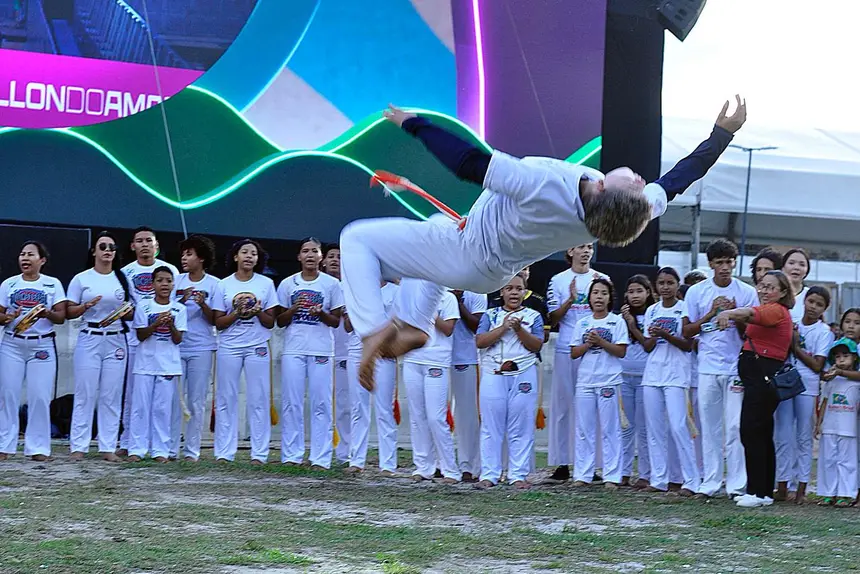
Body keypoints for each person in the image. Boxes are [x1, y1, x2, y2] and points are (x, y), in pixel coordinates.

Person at [341, 98, 747, 391]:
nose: (643, 182)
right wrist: (721, 136)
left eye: (638, 185)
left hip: (465, 251)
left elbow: (468, 163)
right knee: (431, 235)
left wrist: (411, 123)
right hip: (489, 271)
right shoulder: (619, 213)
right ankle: (413, 325)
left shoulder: (544, 186)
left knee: (357, 239)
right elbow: (676, 182)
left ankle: (374, 329)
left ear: (605, 187)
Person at [682, 238, 758, 499]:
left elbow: (752, 333)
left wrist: (735, 314)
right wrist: (712, 313)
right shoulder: (696, 292)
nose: (725, 267)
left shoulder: (746, 292)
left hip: (737, 368)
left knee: (735, 426)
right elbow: (687, 331)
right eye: (720, 263)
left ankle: (736, 484)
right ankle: (711, 482)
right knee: (710, 426)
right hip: (707, 367)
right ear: (711, 264)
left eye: (729, 262)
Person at [714, 270, 794, 508]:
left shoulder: (775, 310)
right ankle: (762, 491)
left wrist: (728, 312)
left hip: (763, 378)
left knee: (751, 430)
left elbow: (750, 313)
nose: (764, 291)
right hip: (757, 378)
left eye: (771, 287)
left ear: (782, 292)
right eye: (761, 286)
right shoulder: (770, 310)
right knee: (760, 432)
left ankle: (757, 492)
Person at [278, 237, 345, 470]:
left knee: (321, 403)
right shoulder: (288, 284)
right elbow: (280, 320)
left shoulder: (331, 285)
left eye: (314, 251)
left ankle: (321, 457)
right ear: (299, 257)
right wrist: (294, 309)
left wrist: (321, 314)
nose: (309, 255)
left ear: (320, 257)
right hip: (293, 348)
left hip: (321, 349)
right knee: (292, 402)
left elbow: (335, 321)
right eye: (305, 251)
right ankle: (291, 455)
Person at [545, 243, 609, 482]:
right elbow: (552, 318)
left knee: (591, 407)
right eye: (580, 247)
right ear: (570, 251)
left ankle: (590, 465)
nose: (586, 251)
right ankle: (562, 463)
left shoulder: (602, 279)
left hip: (595, 350)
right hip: (566, 347)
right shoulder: (558, 280)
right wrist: (570, 300)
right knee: (563, 407)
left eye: (590, 247)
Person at [67, 232, 133, 462]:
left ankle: (107, 446)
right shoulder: (81, 279)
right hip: (90, 335)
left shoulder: (122, 279)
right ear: (94, 251)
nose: (107, 250)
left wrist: (126, 311)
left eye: (112, 247)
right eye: (102, 246)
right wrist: (86, 306)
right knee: (85, 392)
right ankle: (79, 445)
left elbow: (132, 311)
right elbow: (69, 311)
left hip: (115, 338)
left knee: (111, 394)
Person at [211, 240, 278, 464]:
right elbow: (218, 322)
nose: (249, 256)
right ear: (236, 257)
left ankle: (259, 453)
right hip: (229, 346)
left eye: (254, 254)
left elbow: (270, 322)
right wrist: (238, 314)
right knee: (226, 398)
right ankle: (224, 452)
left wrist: (257, 312)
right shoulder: (224, 285)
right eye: (244, 252)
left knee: (258, 398)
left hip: (257, 345)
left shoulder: (266, 284)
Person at [0, 242, 67, 461]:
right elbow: (0, 315)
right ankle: (4, 446)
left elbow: (61, 316)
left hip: (42, 345)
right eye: (22, 254)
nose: (25, 258)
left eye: (30, 254)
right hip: (12, 344)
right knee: (8, 394)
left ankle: (38, 447)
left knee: (40, 396)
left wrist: (46, 313)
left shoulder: (52, 284)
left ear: (42, 260)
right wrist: (7, 317)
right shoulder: (9, 284)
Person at [475, 274, 543, 489]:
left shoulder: (533, 316)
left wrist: (519, 329)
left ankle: (518, 475)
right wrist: (504, 327)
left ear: (525, 291)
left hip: (523, 374)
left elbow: (537, 345)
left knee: (521, 427)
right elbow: (480, 341)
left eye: (518, 289)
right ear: (501, 292)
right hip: (493, 373)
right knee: (491, 426)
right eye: (509, 288)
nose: (514, 293)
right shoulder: (490, 315)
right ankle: (489, 474)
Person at [118, 227, 179, 456]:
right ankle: (128, 442)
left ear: (157, 245)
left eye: (149, 241)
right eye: (139, 241)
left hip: (164, 339)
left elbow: (172, 302)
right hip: (134, 337)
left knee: (162, 398)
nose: (144, 245)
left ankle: (159, 445)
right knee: (134, 394)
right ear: (133, 246)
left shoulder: (170, 270)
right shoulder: (125, 272)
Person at [641, 267, 697, 495]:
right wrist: (653, 336)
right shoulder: (652, 310)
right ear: (656, 286)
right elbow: (646, 346)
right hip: (653, 374)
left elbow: (688, 345)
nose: (665, 287)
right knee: (655, 428)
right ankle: (658, 479)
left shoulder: (685, 308)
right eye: (661, 283)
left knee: (678, 425)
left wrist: (666, 335)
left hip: (676, 375)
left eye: (670, 283)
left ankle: (691, 480)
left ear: (677, 285)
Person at [774, 287, 832, 503]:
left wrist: (795, 346)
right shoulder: (792, 323)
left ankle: (801, 488)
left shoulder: (824, 332)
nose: (813, 307)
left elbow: (817, 365)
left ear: (825, 309)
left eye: (819, 305)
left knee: (803, 437)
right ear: (804, 301)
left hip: (807, 387)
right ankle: (781, 484)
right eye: (811, 302)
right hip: (786, 384)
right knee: (782, 434)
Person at [570, 278, 629, 489]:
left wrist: (601, 342)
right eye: (595, 293)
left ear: (609, 298)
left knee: (610, 429)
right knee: (584, 429)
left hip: (609, 381)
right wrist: (588, 343)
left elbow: (621, 351)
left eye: (603, 293)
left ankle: (612, 476)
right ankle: (583, 474)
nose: (599, 297)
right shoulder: (582, 323)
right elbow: (574, 353)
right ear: (589, 297)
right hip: (585, 381)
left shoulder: (617, 322)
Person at [128, 267, 187, 463]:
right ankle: (136, 449)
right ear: (153, 284)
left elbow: (179, 340)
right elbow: (140, 335)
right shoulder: (144, 306)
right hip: (145, 363)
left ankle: (160, 450)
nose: (164, 284)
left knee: (162, 409)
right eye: (160, 280)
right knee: (140, 408)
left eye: (168, 281)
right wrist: (155, 324)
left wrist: (170, 325)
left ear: (173, 284)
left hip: (168, 365)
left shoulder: (180, 309)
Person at [403, 291, 461, 483]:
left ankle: (450, 469)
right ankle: (423, 467)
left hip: (437, 360)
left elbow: (448, 329)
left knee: (436, 417)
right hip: (413, 358)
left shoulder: (448, 298)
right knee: (417, 416)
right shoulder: (412, 295)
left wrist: (430, 312)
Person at [344, 282, 400, 475]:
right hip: (357, 351)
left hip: (383, 352)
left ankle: (388, 464)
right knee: (358, 407)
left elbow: (399, 323)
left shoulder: (394, 291)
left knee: (384, 408)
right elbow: (347, 325)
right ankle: (356, 460)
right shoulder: (355, 287)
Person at [172, 235, 219, 462]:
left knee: (196, 400)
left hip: (202, 347)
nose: (184, 258)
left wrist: (202, 303)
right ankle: (170, 448)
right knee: (173, 398)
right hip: (177, 346)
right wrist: (182, 300)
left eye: (189, 254)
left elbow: (215, 320)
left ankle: (192, 451)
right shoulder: (176, 281)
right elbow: (168, 311)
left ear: (201, 258)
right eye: (183, 254)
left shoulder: (214, 284)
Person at [620, 275, 656, 488]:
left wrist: (633, 326)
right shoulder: (620, 318)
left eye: (639, 291)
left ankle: (645, 473)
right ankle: (623, 472)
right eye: (631, 291)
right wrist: (626, 323)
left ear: (648, 293)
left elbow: (648, 345)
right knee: (625, 427)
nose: (635, 296)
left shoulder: (652, 315)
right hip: (624, 377)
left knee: (644, 428)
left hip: (645, 378)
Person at [816, 338, 860, 507]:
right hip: (830, 427)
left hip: (849, 428)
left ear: (854, 357)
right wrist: (818, 423)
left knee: (847, 461)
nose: (841, 359)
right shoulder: (831, 379)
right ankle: (828, 493)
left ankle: (845, 494)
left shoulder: (856, 381)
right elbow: (825, 402)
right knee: (828, 460)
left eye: (846, 355)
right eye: (837, 356)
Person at [450, 288, 487, 482]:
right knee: (435, 413)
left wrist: (458, 302)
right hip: (433, 356)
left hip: (464, 357)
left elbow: (477, 325)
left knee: (467, 416)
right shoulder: (434, 281)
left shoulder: (475, 288)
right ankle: (439, 463)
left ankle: (469, 466)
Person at [322, 244, 352, 465]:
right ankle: (321, 450)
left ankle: (345, 452)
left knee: (344, 405)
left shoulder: (353, 286)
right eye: (331, 256)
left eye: (340, 257)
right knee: (321, 403)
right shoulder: (320, 285)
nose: (335, 260)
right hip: (320, 350)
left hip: (346, 351)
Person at [781, 248, 811, 322]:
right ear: (783, 268)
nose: (796, 267)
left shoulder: (810, 295)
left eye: (802, 264)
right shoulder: (774, 293)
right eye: (791, 263)